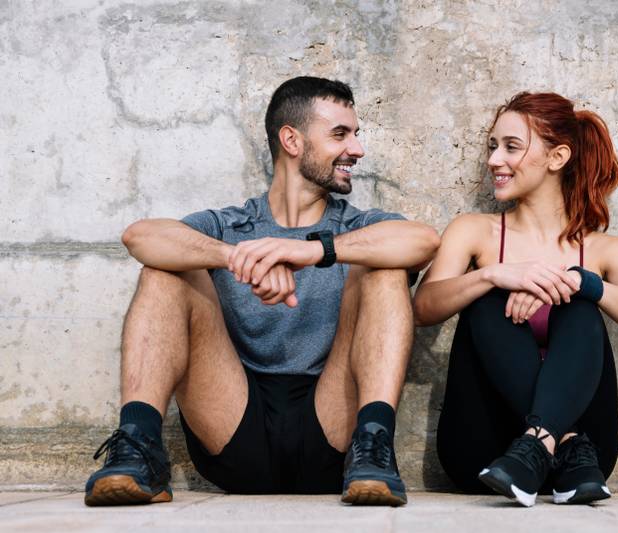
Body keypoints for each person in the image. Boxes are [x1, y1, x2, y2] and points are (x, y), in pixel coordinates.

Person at [84, 76, 440, 507]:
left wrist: (310, 250)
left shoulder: (354, 225)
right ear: (291, 139)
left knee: (382, 269)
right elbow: (139, 237)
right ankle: (138, 450)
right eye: (340, 134)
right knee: (165, 271)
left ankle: (375, 444)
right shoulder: (232, 224)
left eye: (355, 135)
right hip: (234, 423)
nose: (357, 150)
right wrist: (240, 258)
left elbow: (422, 242)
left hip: (332, 430)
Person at [413, 92, 618, 506]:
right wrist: (493, 275)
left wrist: (582, 282)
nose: (494, 160)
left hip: (583, 464)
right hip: (488, 456)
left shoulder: (605, 250)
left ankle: (540, 444)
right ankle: (558, 441)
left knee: (580, 302)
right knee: (487, 299)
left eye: (511, 147)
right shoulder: (474, 231)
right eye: (493, 146)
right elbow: (423, 308)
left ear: (557, 157)